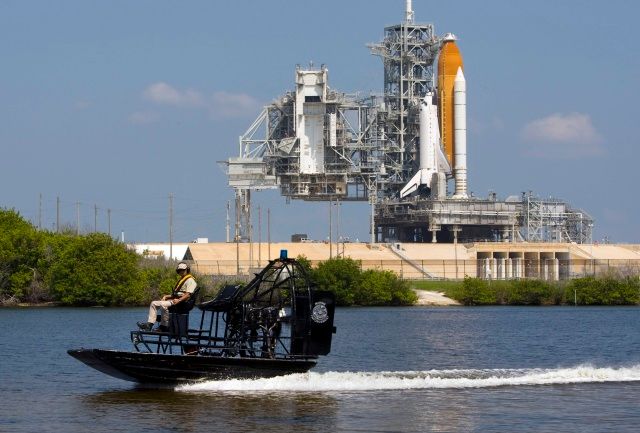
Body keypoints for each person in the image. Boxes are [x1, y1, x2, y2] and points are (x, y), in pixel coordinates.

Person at [137, 262, 197, 332]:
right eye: (180, 270)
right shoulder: (182, 279)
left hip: (181, 303)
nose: (181, 271)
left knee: (163, 305)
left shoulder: (190, 280)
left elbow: (188, 294)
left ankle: (164, 326)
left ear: (187, 270)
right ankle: (149, 325)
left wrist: (179, 300)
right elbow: (177, 293)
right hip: (175, 300)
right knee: (153, 303)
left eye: (183, 270)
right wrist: (166, 296)